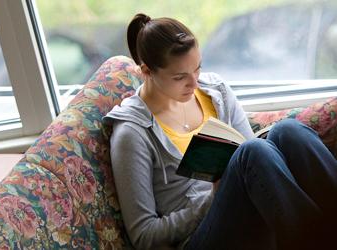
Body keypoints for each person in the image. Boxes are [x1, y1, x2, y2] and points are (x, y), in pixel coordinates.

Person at [104, 13, 337, 250]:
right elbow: (144, 236)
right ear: (147, 71)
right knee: (251, 152)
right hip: (197, 237)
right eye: (179, 77)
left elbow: (260, 163)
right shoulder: (132, 133)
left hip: (242, 214)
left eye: (197, 69)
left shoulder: (215, 91)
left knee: (288, 132)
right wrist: (210, 200)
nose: (194, 83)